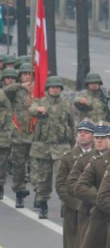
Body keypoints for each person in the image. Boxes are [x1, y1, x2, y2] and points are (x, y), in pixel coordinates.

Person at [55, 119, 95, 248]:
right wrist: (76, 204)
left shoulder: (98, 156)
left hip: (94, 210)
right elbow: (61, 185)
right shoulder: (69, 157)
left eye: (86, 132)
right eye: (80, 132)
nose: (82, 135)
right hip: (74, 212)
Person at [29, 76, 75, 219]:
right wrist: (38, 109)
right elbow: (31, 109)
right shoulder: (41, 102)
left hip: (61, 147)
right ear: (47, 89)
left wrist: (72, 145)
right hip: (44, 147)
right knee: (43, 178)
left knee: (63, 177)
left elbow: (71, 124)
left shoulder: (66, 104)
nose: (55, 89)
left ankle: (64, 204)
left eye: (57, 87)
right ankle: (43, 205)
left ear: (60, 89)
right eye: (52, 87)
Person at [4, 62, 34, 208]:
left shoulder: (39, 89)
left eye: (29, 74)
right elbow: (5, 92)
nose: (27, 76)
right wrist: (21, 86)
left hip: (36, 135)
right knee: (19, 166)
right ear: (20, 76)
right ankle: (19, 192)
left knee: (37, 168)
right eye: (24, 74)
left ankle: (40, 194)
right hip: (20, 134)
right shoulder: (15, 90)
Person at [0, 73, 12, 201]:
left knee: (1, 164)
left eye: (13, 79)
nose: (10, 81)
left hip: (3, 137)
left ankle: (0, 185)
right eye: (7, 78)